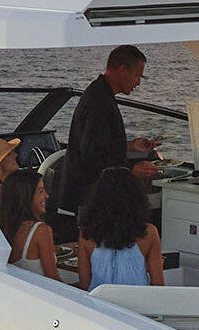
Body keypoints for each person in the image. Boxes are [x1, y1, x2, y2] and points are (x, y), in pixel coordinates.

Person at [61, 45, 164, 217]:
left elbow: (97, 142)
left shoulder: (99, 93)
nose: (138, 82)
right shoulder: (100, 102)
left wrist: (129, 146)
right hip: (92, 196)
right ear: (123, 70)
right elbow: (93, 157)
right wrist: (131, 169)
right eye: (138, 76)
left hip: (92, 192)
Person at [77, 167, 164, 291]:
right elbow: (158, 284)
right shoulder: (149, 232)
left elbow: (84, 283)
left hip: (99, 300)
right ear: (136, 198)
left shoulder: (87, 233)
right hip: (137, 300)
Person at [0, 169, 60, 281]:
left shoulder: (2, 225)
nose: (46, 196)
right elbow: (54, 279)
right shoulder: (41, 231)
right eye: (41, 191)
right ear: (26, 196)